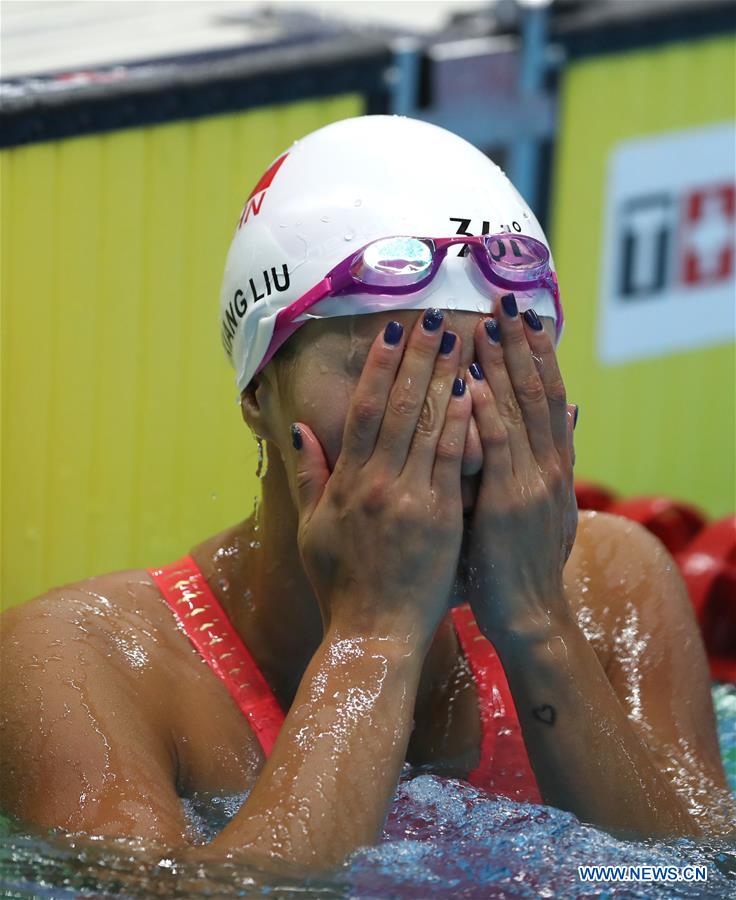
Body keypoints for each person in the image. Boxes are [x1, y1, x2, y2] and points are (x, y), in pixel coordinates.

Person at [1, 116, 732, 876]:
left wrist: (541, 629)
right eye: (388, 372)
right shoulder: (83, 666)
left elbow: (698, 878)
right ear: (259, 389)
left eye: (494, 364)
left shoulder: (611, 589)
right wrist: (374, 637)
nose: (451, 427)